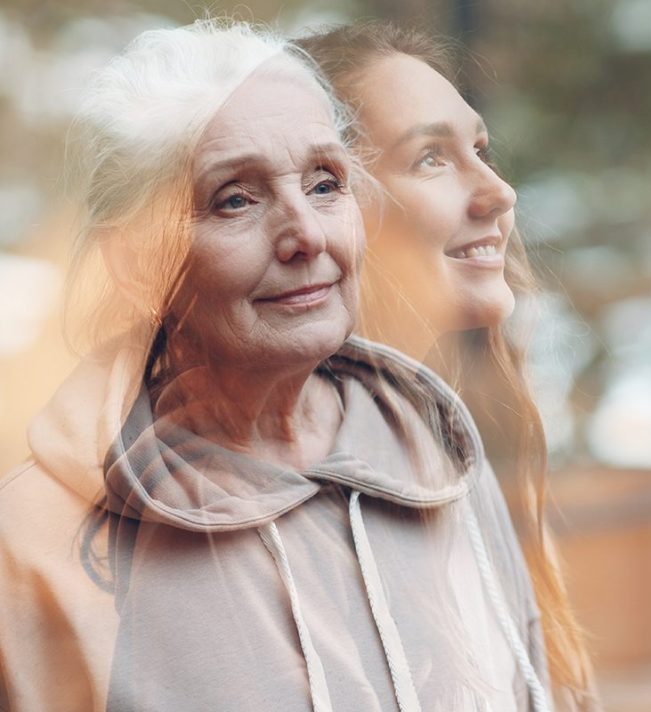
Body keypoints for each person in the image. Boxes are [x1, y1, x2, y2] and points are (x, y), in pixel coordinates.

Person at [0, 19, 553, 711]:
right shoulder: (28, 542)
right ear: (140, 265)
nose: (305, 235)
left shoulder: (433, 448)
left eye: (325, 183)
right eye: (236, 198)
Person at [296, 22, 598, 710]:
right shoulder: (284, 505)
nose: (497, 192)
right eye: (431, 158)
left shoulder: (453, 458)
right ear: (321, 204)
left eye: (481, 150)